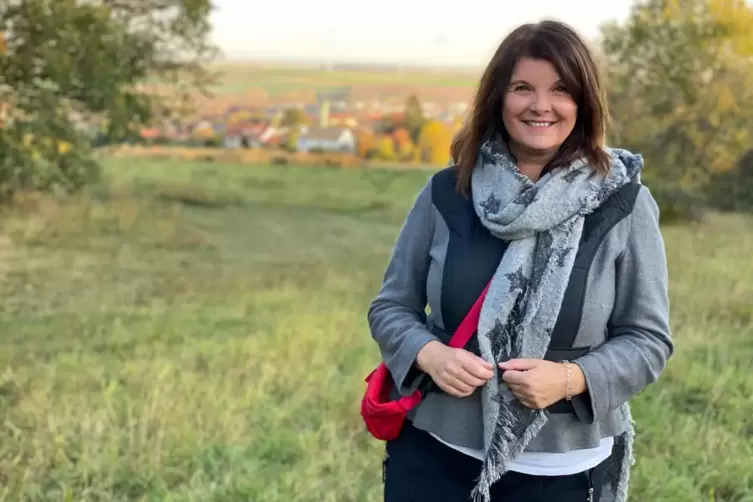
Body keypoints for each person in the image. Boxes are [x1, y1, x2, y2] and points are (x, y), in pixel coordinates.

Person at [366, 20, 673, 502]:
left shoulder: (624, 205)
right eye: (522, 88)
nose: (541, 105)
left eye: (561, 90)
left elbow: (648, 340)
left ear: (583, 103)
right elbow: (391, 307)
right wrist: (430, 353)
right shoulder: (448, 193)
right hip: (434, 454)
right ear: (498, 98)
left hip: (563, 471)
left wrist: (573, 379)